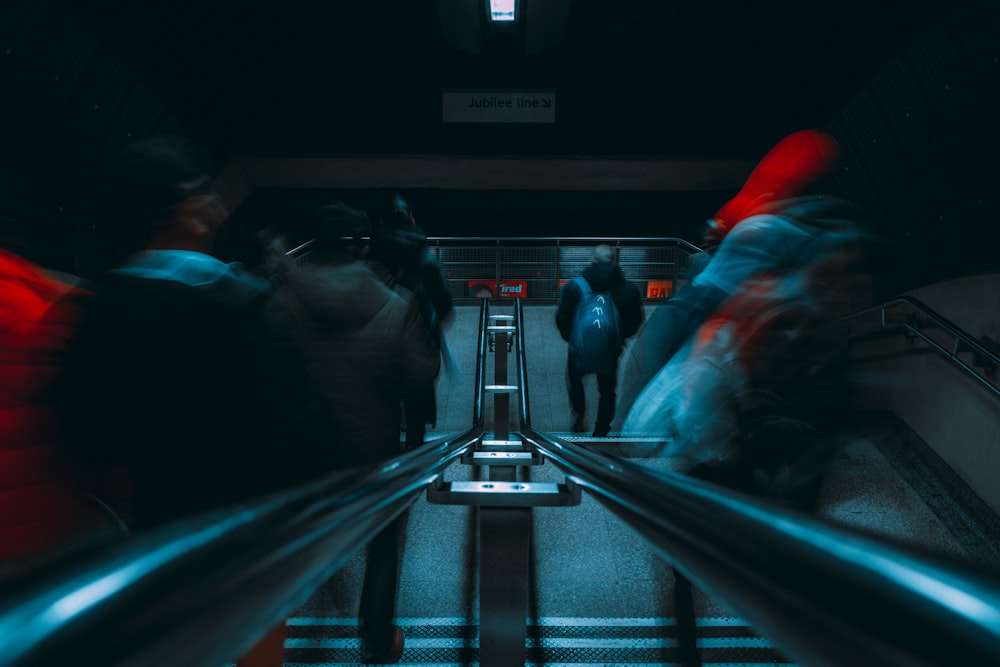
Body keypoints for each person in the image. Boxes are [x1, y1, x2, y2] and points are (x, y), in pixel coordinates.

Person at [56, 135, 329, 667]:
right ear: (184, 212)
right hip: (248, 527)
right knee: (253, 638)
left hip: (152, 529)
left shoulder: (97, 307)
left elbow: (81, 429)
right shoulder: (240, 300)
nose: (214, 203)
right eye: (201, 192)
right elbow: (295, 419)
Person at [280, 200, 440, 663]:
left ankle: (318, 576)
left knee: (314, 519)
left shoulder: (283, 296)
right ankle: (374, 637)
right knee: (384, 538)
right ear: (363, 246)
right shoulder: (396, 303)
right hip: (372, 447)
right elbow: (421, 371)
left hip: (306, 445)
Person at [368, 195, 454, 450]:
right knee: (416, 404)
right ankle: (415, 460)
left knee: (386, 400)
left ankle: (388, 458)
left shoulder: (374, 256)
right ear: (411, 218)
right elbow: (444, 304)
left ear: (382, 222)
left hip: (380, 338)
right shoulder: (425, 258)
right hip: (419, 335)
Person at [556, 244, 644, 437]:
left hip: (579, 348)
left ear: (593, 261)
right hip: (609, 349)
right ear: (614, 261)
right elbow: (636, 320)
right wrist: (619, 337)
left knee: (576, 380)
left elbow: (562, 318)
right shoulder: (627, 288)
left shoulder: (575, 286)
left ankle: (579, 417)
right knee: (607, 389)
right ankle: (602, 428)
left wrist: (572, 339)